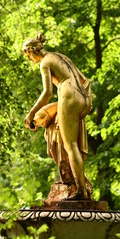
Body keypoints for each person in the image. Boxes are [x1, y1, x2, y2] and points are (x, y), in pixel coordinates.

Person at [23, 33, 92, 200]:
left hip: (68, 96)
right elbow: (83, 79)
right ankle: (79, 185)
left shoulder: (45, 63)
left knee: (71, 146)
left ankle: (81, 191)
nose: (29, 59)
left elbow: (47, 92)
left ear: (32, 51)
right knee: (57, 126)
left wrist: (31, 113)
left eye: (27, 55)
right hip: (82, 96)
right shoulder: (59, 56)